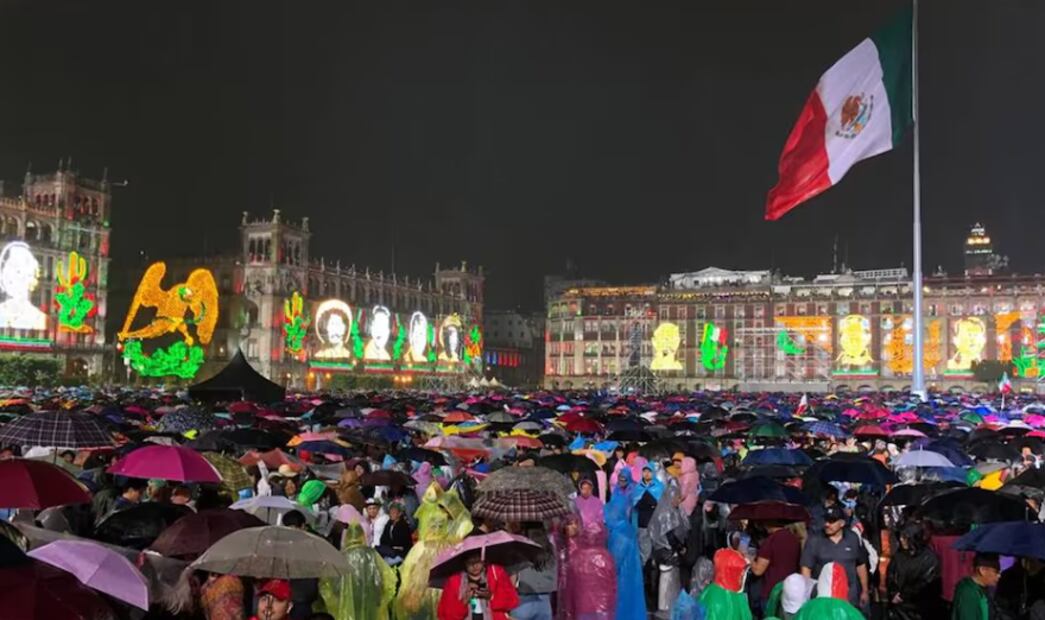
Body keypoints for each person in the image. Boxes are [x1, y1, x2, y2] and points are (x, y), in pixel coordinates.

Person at [320, 522, 397, 620]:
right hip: (370, 601)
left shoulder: (340, 556)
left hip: (347, 602)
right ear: (362, 535)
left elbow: (328, 585)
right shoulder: (371, 554)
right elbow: (387, 580)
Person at [800, 504, 870, 611]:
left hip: (849, 598)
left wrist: (865, 590)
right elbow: (806, 568)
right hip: (823, 598)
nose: (827, 524)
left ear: (842, 523)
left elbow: (860, 565)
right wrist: (807, 594)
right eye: (826, 520)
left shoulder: (853, 538)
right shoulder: (814, 540)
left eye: (832, 521)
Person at [604, 467, 647, 619]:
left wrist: (633, 533)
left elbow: (633, 515)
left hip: (626, 535)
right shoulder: (616, 491)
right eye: (620, 478)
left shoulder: (633, 492)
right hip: (616, 534)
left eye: (624, 478)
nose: (622, 481)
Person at [436, 551, 519, 620]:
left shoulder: (495, 573)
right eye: (470, 563)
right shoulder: (454, 581)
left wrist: (492, 597)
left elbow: (513, 601)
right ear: (464, 563)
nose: (475, 566)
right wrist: (463, 601)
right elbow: (445, 616)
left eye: (477, 561)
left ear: (483, 560)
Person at [886, 523, 941, 620]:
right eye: (901, 537)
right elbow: (891, 575)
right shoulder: (898, 556)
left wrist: (903, 595)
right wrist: (893, 593)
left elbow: (925, 582)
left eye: (905, 537)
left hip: (920, 607)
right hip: (898, 607)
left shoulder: (929, 559)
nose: (901, 540)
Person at [752, 521, 802, 611]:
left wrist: (749, 558)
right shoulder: (794, 539)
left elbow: (758, 570)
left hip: (771, 593)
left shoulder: (771, 540)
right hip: (791, 593)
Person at [952, 553, 1002, 620]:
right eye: (996, 572)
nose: (999, 576)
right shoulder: (968, 593)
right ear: (982, 570)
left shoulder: (981, 588)